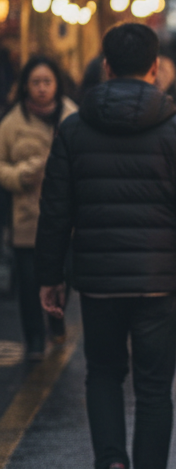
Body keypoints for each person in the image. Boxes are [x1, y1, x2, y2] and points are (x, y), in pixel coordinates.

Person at [35, 23, 176, 469]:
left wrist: (49, 275)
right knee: (154, 387)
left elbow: (56, 208)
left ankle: (112, 468)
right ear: (155, 68)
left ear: (106, 67)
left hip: (97, 278)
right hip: (159, 279)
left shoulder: (73, 127)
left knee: (104, 373)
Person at [0, 57, 77, 361]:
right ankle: (34, 338)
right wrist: (20, 175)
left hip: (66, 220)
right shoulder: (12, 123)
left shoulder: (72, 116)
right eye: (36, 82)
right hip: (27, 219)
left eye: (47, 82)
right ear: (25, 86)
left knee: (65, 277)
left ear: (57, 84)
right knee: (29, 284)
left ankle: (56, 320)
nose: (42, 88)